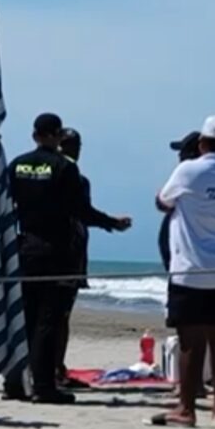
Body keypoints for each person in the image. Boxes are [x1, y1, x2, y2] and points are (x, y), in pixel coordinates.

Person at [6, 113, 117, 404]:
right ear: (56, 136)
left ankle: (15, 382)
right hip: (56, 248)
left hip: (26, 245)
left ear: (34, 135)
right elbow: (79, 210)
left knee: (25, 319)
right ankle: (44, 386)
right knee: (48, 320)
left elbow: (5, 204)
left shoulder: (17, 164)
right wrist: (111, 223)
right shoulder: (63, 167)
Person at [155, 116, 215, 427]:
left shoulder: (189, 170)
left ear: (202, 143)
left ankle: (187, 409)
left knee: (189, 341)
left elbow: (162, 201)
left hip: (190, 267)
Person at [56, 127, 132, 387]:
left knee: (42, 314)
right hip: (68, 252)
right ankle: (55, 369)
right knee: (59, 315)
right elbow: (83, 213)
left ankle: (45, 368)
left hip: (40, 250)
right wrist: (111, 222)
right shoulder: (74, 176)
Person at [158, 130, 201, 271]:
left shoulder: (187, 174)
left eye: (182, 151)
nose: (179, 155)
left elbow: (162, 201)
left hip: (184, 267)